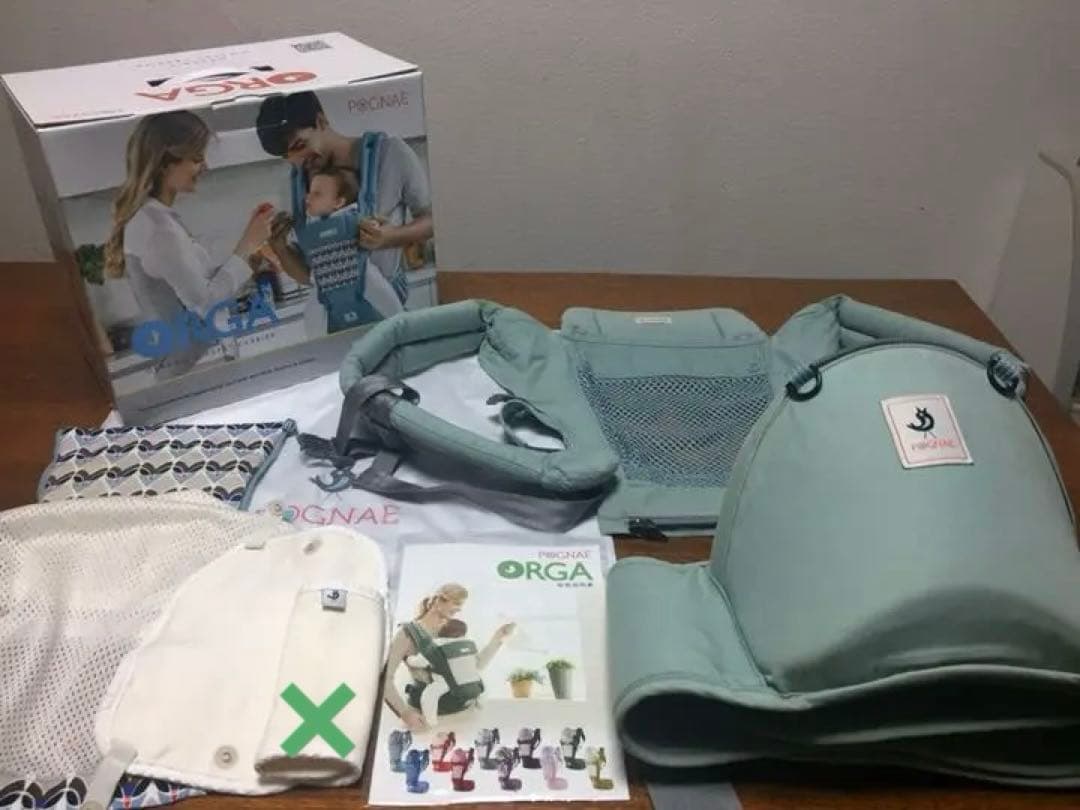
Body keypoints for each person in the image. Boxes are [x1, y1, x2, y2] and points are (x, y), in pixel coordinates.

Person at [104, 111, 274, 378]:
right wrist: (247, 244)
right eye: (196, 158)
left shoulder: (155, 219)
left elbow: (198, 287)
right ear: (164, 163)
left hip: (193, 368)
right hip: (192, 371)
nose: (205, 166)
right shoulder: (159, 229)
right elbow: (206, 304)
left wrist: (250, 252)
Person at [255, 91, 434, 335]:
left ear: (321, 121)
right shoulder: (298, 184)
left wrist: (390, 237)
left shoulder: (391, 154)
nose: (297, 161)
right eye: (287, 156)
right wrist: (280, 248)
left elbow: (434, 220)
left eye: (299, 145)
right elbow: (310, 276)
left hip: (386, 316)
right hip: (336, 325)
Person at [384, 583, 515, 732]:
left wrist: (497, 639)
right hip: (430, 719)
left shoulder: (453, 630)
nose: (459, 609)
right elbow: (385, 678)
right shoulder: (407, 633)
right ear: (439, 600)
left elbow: (477, 665)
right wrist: (405, 713)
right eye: (457, 603)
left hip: (467, 713)